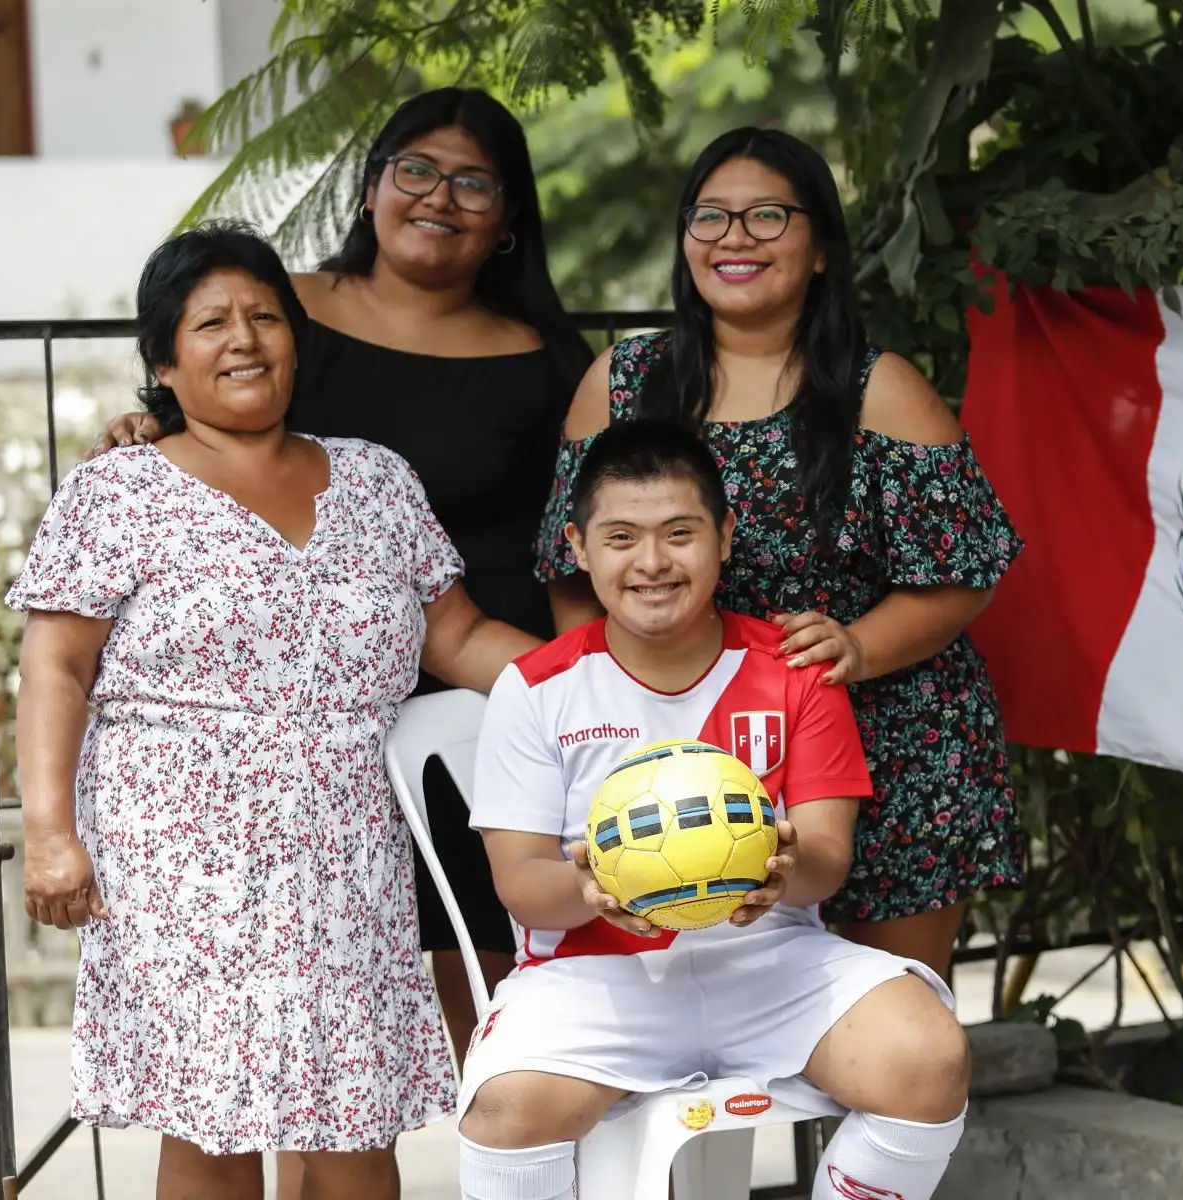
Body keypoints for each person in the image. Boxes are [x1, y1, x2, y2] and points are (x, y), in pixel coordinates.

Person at [13, 223, 541, 1200]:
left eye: (265, 315)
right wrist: (48, 835)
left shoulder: (376, 479)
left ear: (299, 343)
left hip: (345, 851)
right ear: (164, 362)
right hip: (179, 861)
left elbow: (460, 638)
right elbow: (54, 667)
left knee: (352, 1122)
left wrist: (608, 681)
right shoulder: (117, 490)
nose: (244, 337)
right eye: (210, 322)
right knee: (213, 1126)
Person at [87, 86, 592, 1064]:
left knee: (484, 960)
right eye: (415, 169)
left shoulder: (545, 360)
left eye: (472, 182)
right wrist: (153, 426)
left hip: (475, 668)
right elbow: (211, 412)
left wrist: (598, 688)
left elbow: (570, 547)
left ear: (508, 223)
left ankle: (504, 1139)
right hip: (308, 709)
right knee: (323, 991)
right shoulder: (286, 310)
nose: (438, 197)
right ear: (370, 189)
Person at [538, 126, 1025, 980]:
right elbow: (574, 572)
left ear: (823, 248)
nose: (734, 239)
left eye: (767, 216)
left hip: (891, 741)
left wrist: (860, 646)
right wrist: (613, 703)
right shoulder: (624, 382)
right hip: (680, 753)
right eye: (710, 217)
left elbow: (961, 578)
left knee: (894, 1019)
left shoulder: (883, 390)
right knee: (697, 1025)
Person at [459, 419, 970, 1200]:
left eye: (680, 533)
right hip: (594, 975)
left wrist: (784, 871)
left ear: (726, 537)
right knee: (505, 1110)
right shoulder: (536, 688)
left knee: (928, 1058)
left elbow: (826, 861)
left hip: (769, 961)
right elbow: (521, 882)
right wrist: (593, 890)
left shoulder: (798, 672)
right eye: (622, 536)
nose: (654, 562)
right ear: (580, 544)